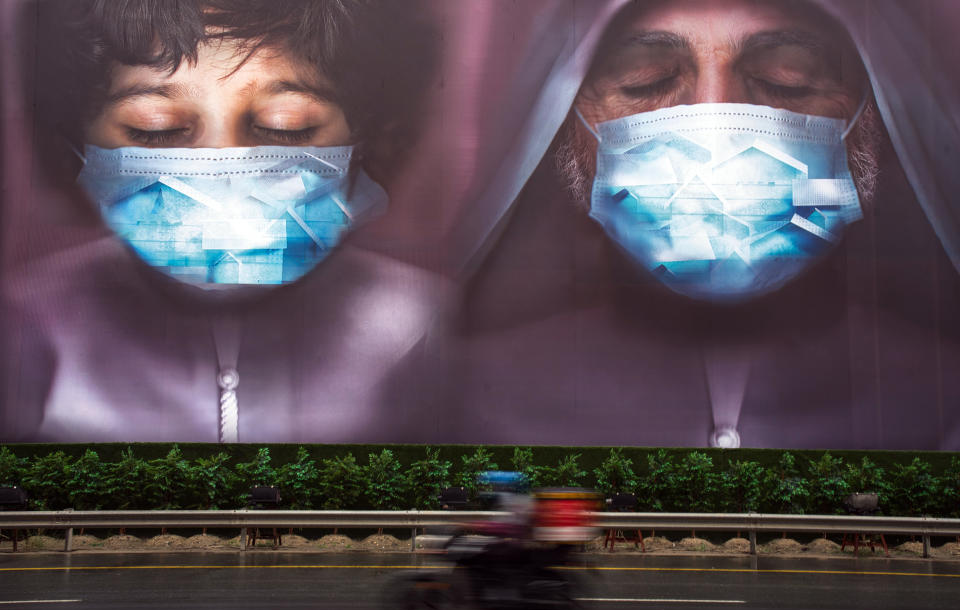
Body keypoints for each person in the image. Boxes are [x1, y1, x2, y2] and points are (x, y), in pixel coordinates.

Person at [449, 0, 960, 449]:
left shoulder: (943, 403)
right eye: (644, 82)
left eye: (788, 80)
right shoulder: (459, 395)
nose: (715, 122)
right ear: (562, 125)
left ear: (872, 117)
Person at [0, 0, 447, 443]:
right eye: (157, 129)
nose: (226, 175)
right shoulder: (26, 328)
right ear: (77, 141)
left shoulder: (421, 330)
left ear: (364, 140)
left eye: (285, 127)